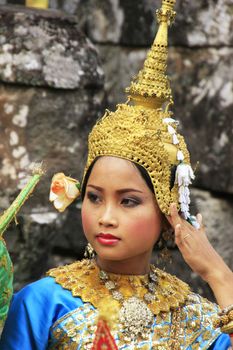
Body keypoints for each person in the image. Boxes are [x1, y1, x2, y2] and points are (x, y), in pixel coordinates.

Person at [0, 1, 233, 349]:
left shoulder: (197, 317)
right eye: (94, 197)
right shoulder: (43, 303)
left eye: (128, 201)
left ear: (166, 210)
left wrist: (218, 273)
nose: (105, 217)